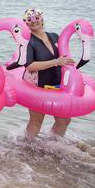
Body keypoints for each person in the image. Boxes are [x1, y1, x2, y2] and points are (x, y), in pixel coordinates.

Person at [21, 8, 75, 139]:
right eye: (29, 19)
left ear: (42, 19)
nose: (34, 21)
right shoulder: (28, 41)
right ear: (26, 23)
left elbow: (65, 58)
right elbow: (29, 65)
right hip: (38, 85)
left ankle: (53, 144)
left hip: (58, 84)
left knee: (64, 120)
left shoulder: (55, 36)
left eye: (36, 18)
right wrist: (56, 62)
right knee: (36, 121)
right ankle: (27, 146)